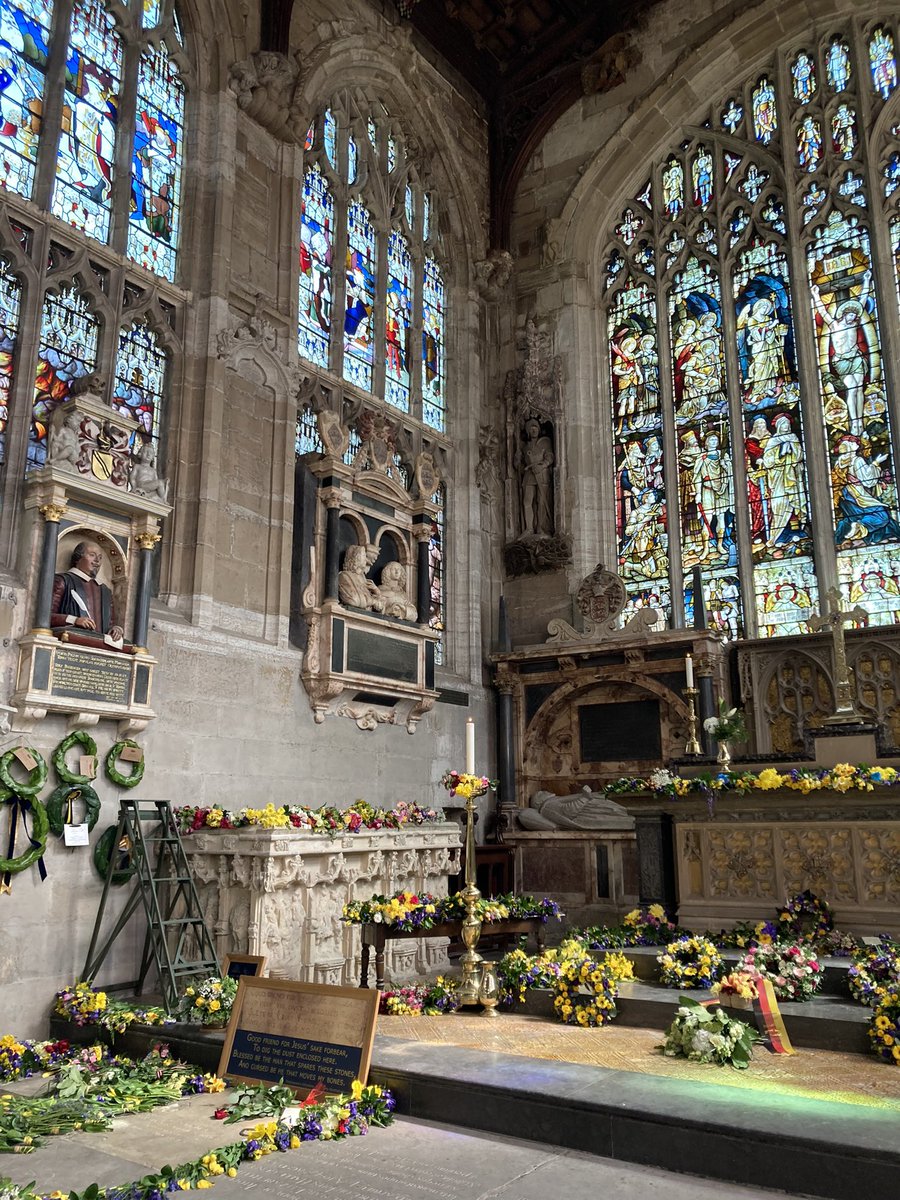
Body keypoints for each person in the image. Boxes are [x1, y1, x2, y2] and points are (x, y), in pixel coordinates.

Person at [50, 541, 124, 649]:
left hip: (99, 648)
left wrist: (116, 630)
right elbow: (46, 617)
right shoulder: (63, 581)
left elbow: (110, 625)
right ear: (78, 558)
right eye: (92, 555)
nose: (97, 561)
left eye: (100, 557)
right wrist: (75, 620)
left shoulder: (105, 591)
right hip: (70, 646)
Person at [521, 418, 554, 535]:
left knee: (541, 502)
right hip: (530, 475)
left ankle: (541, 528)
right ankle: (529, 528)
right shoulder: (525, 446)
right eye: (531, 427)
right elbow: (520, 463)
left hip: (542, 475)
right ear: (528, 431)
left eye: (535, 427)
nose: (534, 430)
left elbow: (550, 457)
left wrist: (542, 465)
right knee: (527, 501)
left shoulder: (545, 441)